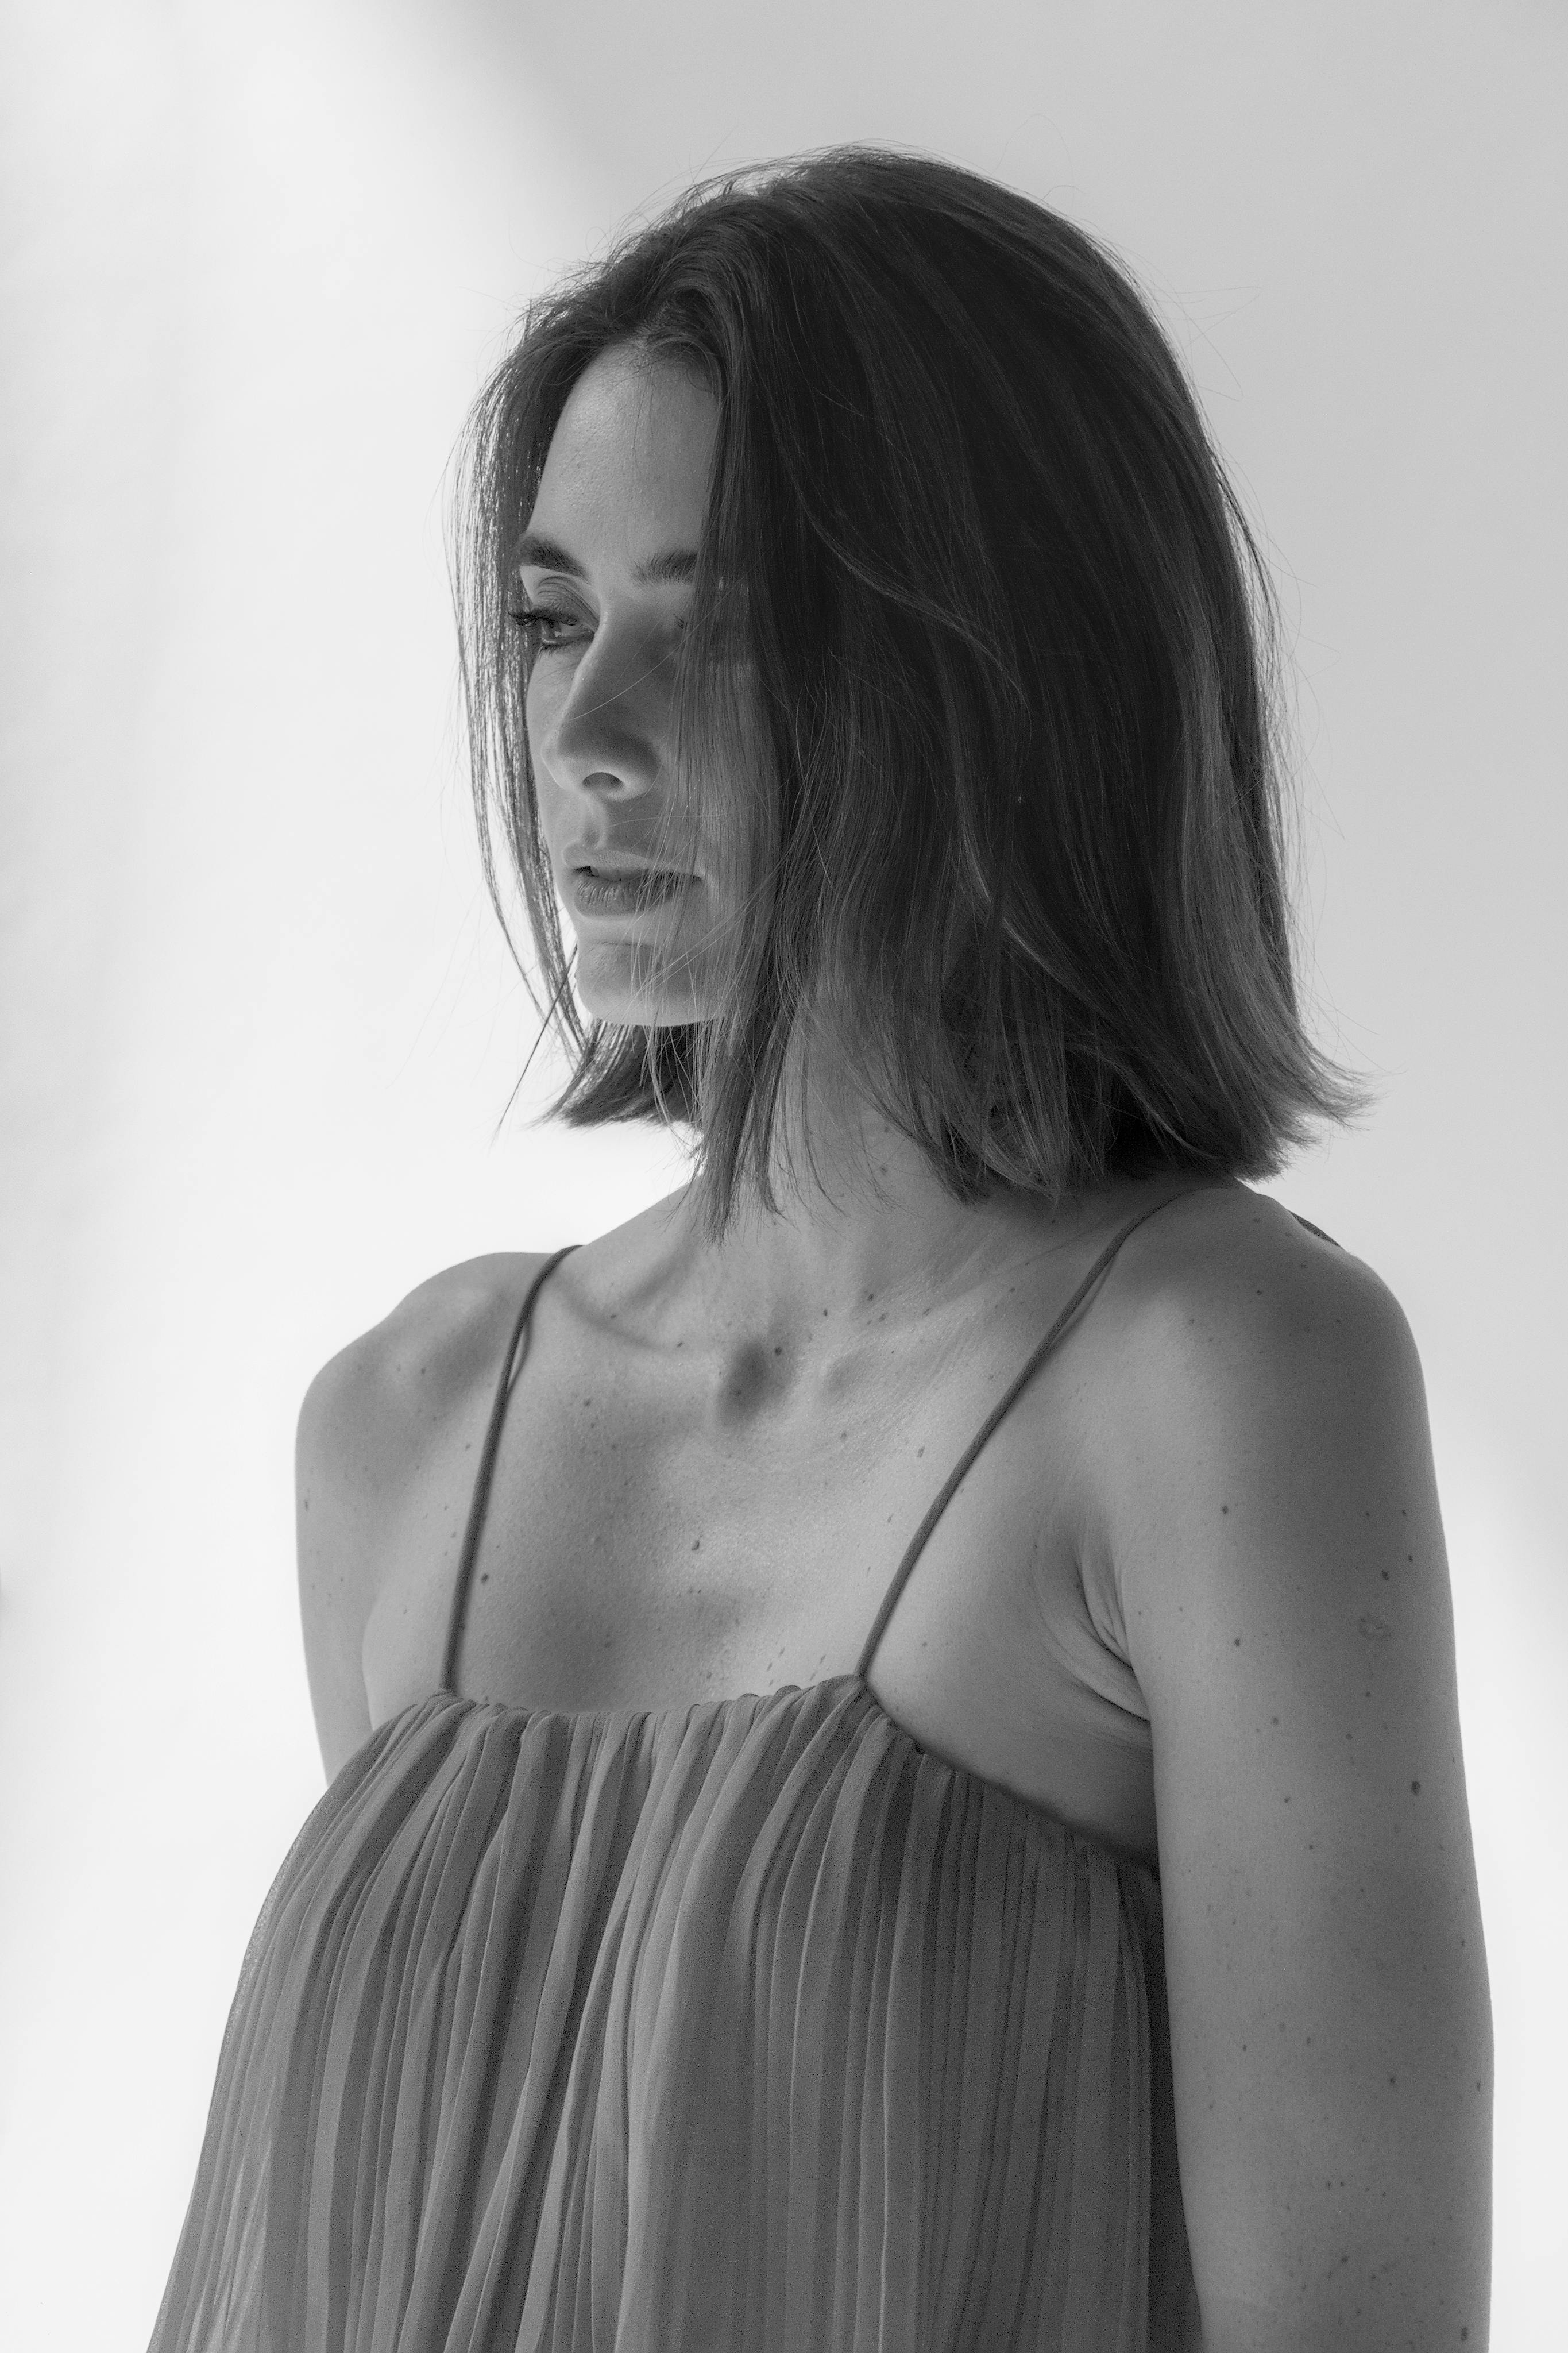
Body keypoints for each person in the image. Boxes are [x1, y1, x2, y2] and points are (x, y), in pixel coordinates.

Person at [146, 146, 1492, 2352]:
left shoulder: (1212, 1377)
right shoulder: (409, 1426)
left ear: (1010, 674)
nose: (584, 740)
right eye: (556, 615)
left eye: (724, 623)